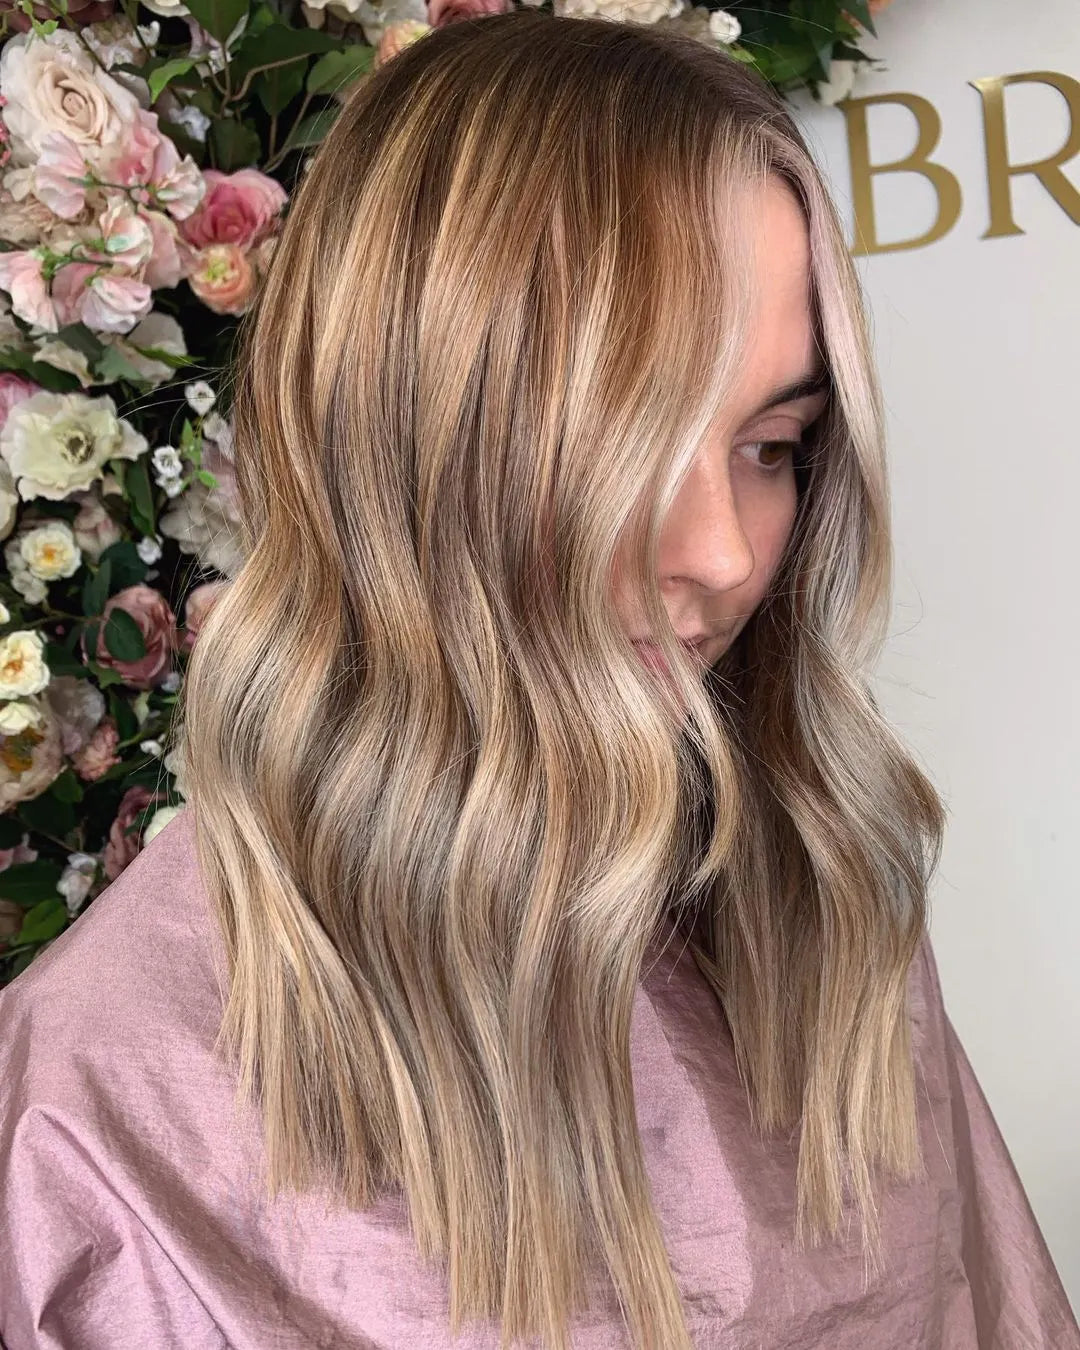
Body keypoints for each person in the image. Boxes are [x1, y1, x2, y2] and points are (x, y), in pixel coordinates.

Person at [0, 12, 1077, 1349]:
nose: (726, 553)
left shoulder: (816, 889)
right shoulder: (107, 1096)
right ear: (400, 436)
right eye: (628, 438)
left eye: (772, 443)